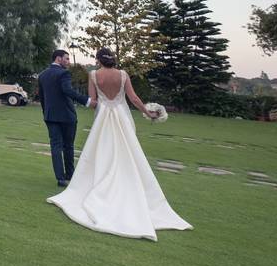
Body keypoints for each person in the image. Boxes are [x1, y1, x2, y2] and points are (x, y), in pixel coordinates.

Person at [47, 47, 193, 241]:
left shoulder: (93, 75)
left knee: (100, 151)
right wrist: (147, 112)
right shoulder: (123, 74)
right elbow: (133, 98)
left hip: (103, 119)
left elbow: (95, 101)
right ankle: (126, 180)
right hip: (121, 117)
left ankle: (99, 180)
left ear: (99, 60)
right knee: (128, 151)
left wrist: (96, 107)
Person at [38, 49, 94, 187]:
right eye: (67, 59)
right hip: (67, 116)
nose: (68, 62)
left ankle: (60, 179)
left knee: (55, 147)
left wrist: (46, 113)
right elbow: (68, 90)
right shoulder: (64, 73)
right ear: (58, 59)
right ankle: (70, 174)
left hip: (50, 116)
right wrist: (87, 101)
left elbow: (42, 98)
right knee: (68, 146)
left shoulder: (42, 75)